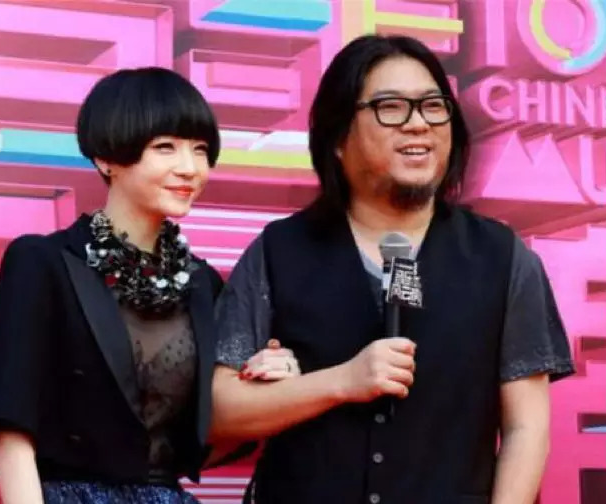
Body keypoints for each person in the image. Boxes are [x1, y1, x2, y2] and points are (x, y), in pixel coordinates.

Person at [210, 35, 574, 504]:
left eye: (433, 106)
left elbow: (526, 427)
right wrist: (340, 382)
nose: (418, 124)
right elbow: (220, 412)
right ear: (338, 138)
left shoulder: (503, 257)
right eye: (391, 108)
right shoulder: (278, 251)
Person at [0, 67, 298, 504]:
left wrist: (271, 378)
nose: (190, 168)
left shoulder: (202, 284)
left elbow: (206, 437)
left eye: (200, 150)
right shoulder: (43, 262)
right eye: (165, 147)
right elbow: (12, 433)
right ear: (106, 157)